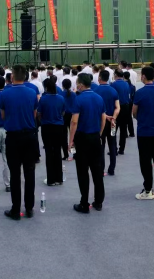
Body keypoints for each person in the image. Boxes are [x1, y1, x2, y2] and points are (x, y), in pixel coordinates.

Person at [0, 66, 40, 219]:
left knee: (15, 174)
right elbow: (34, 114)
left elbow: (3, 115)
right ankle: (29, 208)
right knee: (30, 173)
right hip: (30, 136)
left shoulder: (5, 93)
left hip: (13, 137)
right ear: (25, 77)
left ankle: (15, 210)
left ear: (12, 77)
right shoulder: (32, 93)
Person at [69, 73, 105, 213]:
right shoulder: (99, 98)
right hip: (95, 137)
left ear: (80, 84)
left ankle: (84, 203)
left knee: (83, 171)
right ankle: (99, 201)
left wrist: (70, 140)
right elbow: (103, 118)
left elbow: (74, 121)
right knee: (97, 171)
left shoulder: (78, 99)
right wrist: (99, 133)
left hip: (82, 138)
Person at [132, 67, 154, 199]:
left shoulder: (140, 93)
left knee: (145, 161)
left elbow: (134, 112)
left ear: (144, 76)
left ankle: (147, 190)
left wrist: (141, 118)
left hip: (144, 131)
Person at [38, 77, 65, 187]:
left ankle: (51, 179)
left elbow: (39, 113)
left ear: (46, 87)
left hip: (47, 126)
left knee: (49, 152)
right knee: (57, 150)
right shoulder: (61, 98)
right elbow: (63, 112)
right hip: (58, 126)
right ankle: (59, 178)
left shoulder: (43, 99)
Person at [92, 70, 120, 175]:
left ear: (99, 78)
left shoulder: (95, 91)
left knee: (101, 145)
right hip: (112, 122)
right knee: (112, 145)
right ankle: (112, 169)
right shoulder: (113, 91)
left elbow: (95, 109)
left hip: (100, 122)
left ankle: (101, 168)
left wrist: (106, 116)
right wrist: (113, 118)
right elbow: (117, 107)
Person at [111, 70, 133, 153]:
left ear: (116, 75)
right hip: (126, 107)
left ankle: (114, 148)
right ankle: (122, 148)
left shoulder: (113, 84)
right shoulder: (126, 84)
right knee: (123, 129)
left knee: (113, 128)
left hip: (117, 107)